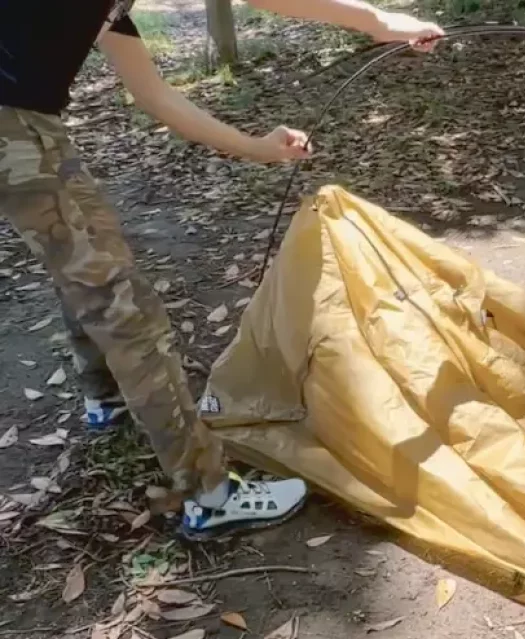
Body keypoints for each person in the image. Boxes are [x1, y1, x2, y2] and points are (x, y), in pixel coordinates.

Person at [0, 0, 443, 538]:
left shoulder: (107, 11)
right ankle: (209, 496)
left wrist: (258, 149)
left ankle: (106, 396)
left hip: (30, 126)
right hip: (15, 124)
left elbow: (155, 95)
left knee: (91, 254)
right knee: (126, 310)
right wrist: (379, 21)